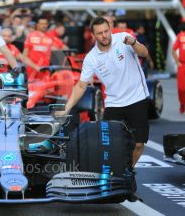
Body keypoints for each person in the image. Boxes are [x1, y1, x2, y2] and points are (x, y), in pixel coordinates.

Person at [56, 17, 150, 168]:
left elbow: (144, 53)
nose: (104, 35)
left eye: (106, 31)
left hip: (137, 98)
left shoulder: (123, 39)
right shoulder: (91, 58)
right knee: (108, 145)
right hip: (114, 103)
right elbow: (81, 86)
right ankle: (114, 174)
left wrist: (134, 43)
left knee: (138, 145)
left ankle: (128, 171)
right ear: (93, 35)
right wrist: (66, 109)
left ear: (110, 29)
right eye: (99, 33)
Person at [172, 23, 185, 114]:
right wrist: (177, 62)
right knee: (181, 87)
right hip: (182, 65)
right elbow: (173, 50)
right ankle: (182, 103)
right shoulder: (181, 36)